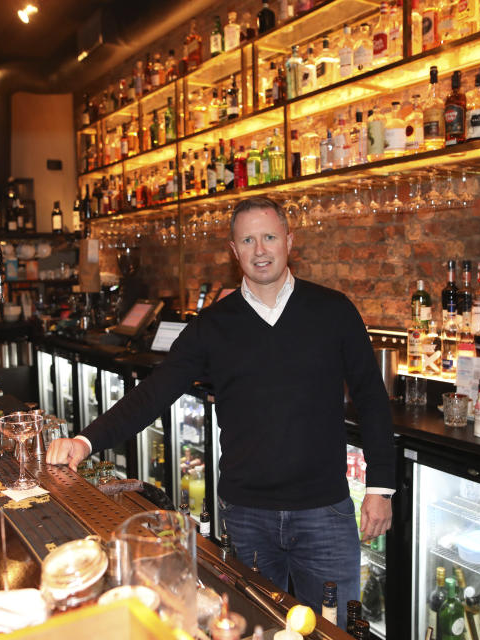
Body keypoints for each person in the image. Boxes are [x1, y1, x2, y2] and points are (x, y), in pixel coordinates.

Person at [46, 196, 395, 628]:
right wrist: (85, 441)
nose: (260, 249)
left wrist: (381, 485)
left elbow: (371, 397)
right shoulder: (212, 325)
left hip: (324, 513)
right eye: (248, 240)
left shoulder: (333, 310)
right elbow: (154, 392)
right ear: (234, 251)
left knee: (333, 629)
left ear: (290, 240)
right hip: (249, 517)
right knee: (256, 630)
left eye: (269, 236)